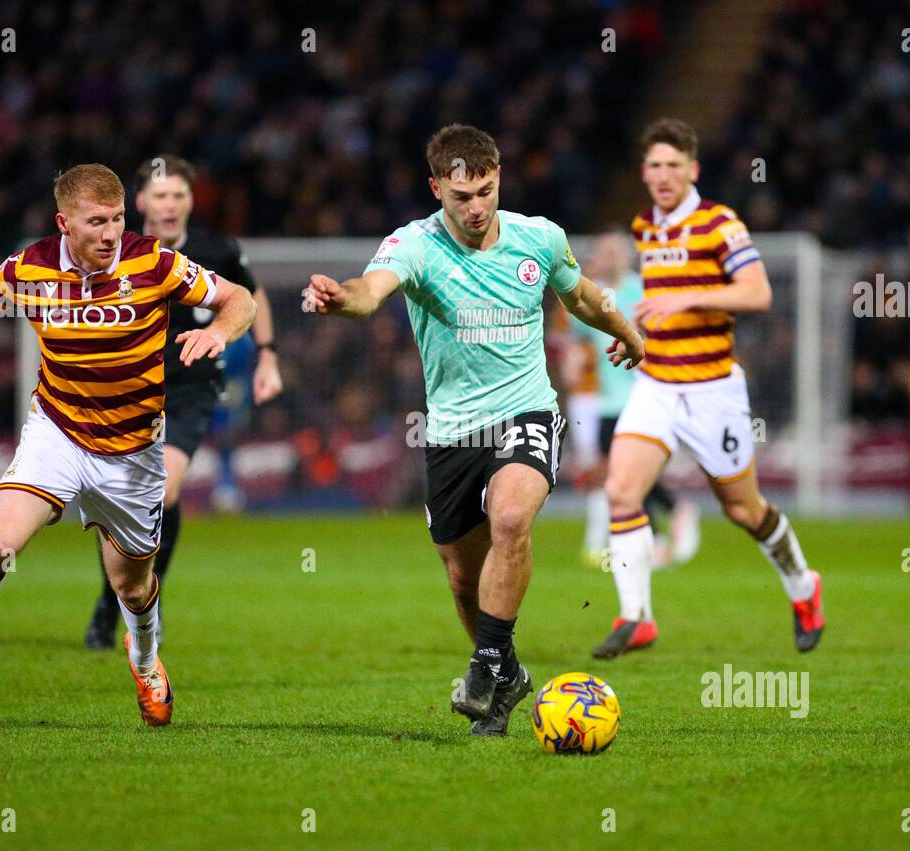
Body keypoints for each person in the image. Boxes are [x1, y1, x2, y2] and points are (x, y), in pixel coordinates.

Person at [0, 163, 256, 726]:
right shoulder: (30, 269)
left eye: (116, 219)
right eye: (96, 222)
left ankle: (145, 661)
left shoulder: (154, 261)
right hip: (58, 434)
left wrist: (217, 331)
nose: (111, 233)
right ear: (64, 223)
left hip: (134, 449)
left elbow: (240, 299)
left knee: (132, 586)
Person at [302, 124, 645, 736]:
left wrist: (625, 329)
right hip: (453, 431)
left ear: (498, 179)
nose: (476, 206)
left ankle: (485, 668)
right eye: (460, 196)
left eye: (485, 190)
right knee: (463, 576)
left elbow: (584, 297)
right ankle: (507, 672)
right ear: (436, 188)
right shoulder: (414, 245)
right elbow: (367, 292)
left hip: (528, 411)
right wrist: (340, 299)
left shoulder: (539, 238)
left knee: (512, 517)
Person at [592, 118, 825, 660]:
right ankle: (637, 616)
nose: (664, 174)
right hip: (656, 383)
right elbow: (660, 309)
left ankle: (802, 586)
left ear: (693, 169)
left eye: (674, 165)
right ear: (644, 172)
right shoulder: (645, 226)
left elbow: (757, 291)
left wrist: (687, 298)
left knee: (744, 511)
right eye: (654, 165)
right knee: (621, 491)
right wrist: (638, 339)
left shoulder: (720, 223)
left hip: (713, 390)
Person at [82, 155, 283, 649]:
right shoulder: (117, 252)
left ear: (191, 201)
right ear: (141, 201)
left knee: (163, 492)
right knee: (120, 503)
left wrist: (267, 357)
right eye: (160, 195)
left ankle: (145, 602)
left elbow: (253, 297)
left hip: (191, 388)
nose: (170, 205)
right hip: (127, 389)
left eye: (179, 195)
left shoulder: (218, 249)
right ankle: (115, 604)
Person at [558, 229, 700, 569]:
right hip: (608, 402)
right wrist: (572, 361)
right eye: (602, 250)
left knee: (629, 471)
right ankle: (662, 527)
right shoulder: (592, 294)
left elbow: (670, 338)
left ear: (626, 255)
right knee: (622, 475)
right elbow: (575, 339)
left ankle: (666, 521)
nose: (608, 257)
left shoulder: (642, 291)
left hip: (645, 396)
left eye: (613, 251)